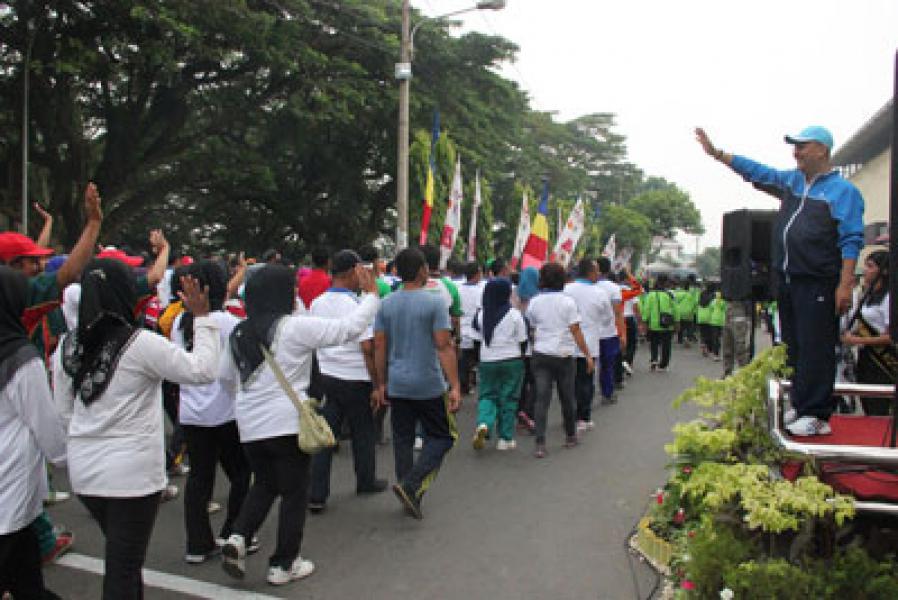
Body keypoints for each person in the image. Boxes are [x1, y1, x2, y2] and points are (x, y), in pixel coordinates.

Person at [52, 259, 220, 599]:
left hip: (86, 472)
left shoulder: (67, 346)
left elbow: (64, 411)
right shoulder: (140, 342)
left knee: (125, 560)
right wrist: (203, 320)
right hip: (131, 476)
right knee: (123, 568)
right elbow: (201, 371)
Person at [696, 126, 864, 436]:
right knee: (794, 347)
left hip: (819, 280)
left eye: (802, 146)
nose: (796, 152)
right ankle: (801, 405)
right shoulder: (792, 182)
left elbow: (851, 239)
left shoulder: (844, 192)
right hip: (788, 278)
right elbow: (758, 172)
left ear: (822, 150)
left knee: (816, 347)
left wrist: (845, 283)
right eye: (794, 146)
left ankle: (817, 415)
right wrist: (719, 155)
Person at [222, 263, 378, 585]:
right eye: (291, 289)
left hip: (249, 424)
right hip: (286, 422)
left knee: (264, 483)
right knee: (294, 492)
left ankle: (238, 536)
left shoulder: (238, 331)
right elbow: (346, 330)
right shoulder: (293, 327)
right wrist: (372, 296)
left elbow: (224, 377)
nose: (295, 294)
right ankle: (283, 564)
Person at [171, 260, 251, 564]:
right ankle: (236, 531)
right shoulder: (229, 323)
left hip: (192, 412)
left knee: (200, 479)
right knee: (242, 473)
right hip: (226, 411)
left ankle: (197, 542)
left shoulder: (180, 323)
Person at [373, 247, 461, 519]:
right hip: (428, 383)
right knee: (443, 437)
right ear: (423, 269)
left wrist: (380, 383)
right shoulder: (434, 302)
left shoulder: (386, 304)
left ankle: (407, 488)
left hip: (398, 382)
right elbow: (443, 346)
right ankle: (411, 485)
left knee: (403, 438)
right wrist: (455, 385)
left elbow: (379, 346)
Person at [0, 266, 67, 600]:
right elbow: (47, 426)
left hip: (14, 498)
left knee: (27, 580)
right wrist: (70, 460)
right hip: (9, 483)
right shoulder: (22, 360)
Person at [308, 251, 388, 513]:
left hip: (326, 375)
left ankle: (316, 493)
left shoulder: (317, 303)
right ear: (354, 271)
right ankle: (365, 480)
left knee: (324, 437)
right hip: (354, 376)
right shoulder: (358, 305)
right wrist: (377, 384)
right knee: (362, 432)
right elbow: (367, 347)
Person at [526, 262, 594, 458]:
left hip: (540, 354)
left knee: (542, 399)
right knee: (567, 397)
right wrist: (587, 355)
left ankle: (540, 443)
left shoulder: (535, 302)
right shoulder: (568, 302)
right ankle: (570, 436)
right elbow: (576, 331)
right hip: (564, 355)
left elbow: (532, 326)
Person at [471, 277, 528, 450]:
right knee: (508, 398)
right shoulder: (515, 314)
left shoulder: (480, 315)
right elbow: (523, 340)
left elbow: (475, 340)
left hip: (487, 360)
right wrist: (522, 357)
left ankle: (484, 423)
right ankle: (505, 438)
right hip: (511, 360)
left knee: (487, 395)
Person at [841, 250, 895, 415]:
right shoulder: (866, 295)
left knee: (880, 408)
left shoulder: (889, 298)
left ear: (884, 271)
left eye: (870, 266)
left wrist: (858, 341)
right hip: (866, 359)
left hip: (884, 361)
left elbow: (890, 337)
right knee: (868, 404)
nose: (865, 269)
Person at [563, 258, 609, 430]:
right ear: (589, 272)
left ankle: (569, 416)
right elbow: (606, 319)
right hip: (589, 344)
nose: (598, 274)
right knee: (586, 382)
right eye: (596, 271)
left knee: (569, 382)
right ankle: (583, 417)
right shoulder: (599, 293)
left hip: (567, 343)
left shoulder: (566, 289)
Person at [595, 258, 625, 404]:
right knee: (607, 365)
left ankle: (585, 396)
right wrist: (622, 333)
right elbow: (618, 313)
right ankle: (607, 393)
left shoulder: (588, 286)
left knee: (587, 366)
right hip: (609, 333)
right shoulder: (614, 288)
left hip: (590, 333)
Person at [457, 261, 484, 395]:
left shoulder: (458, 289)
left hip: (461, 329)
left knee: (463, 361)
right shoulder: (479, 291)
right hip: (475, 332)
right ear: (477, 274)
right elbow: (481, 310)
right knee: (477, 360)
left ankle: (463, 386)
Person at [641, 275, 676, 372]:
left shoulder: (650, 295)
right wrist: (677, 322)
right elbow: (675, 309)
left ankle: (654, 359)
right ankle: (663, 365)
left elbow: (646, 309)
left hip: (653, 324)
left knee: (654, 343)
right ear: (665, 283)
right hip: (666, 324)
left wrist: (644, 321)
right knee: (666, 345)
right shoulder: (670, 295)